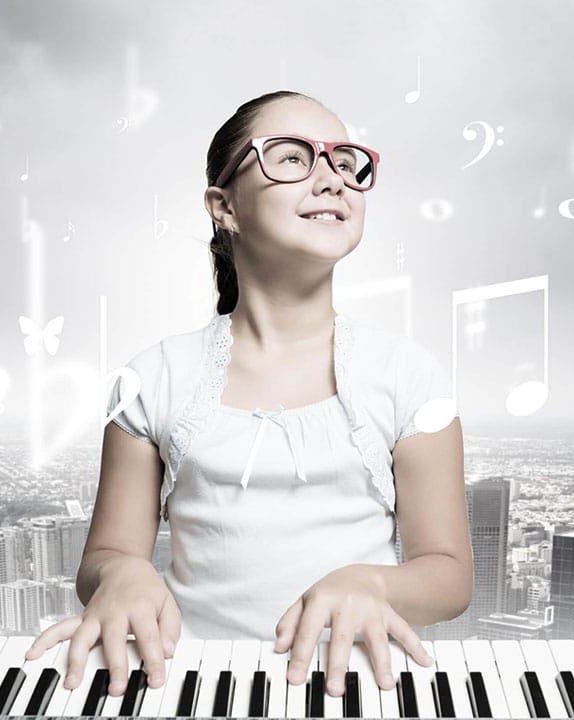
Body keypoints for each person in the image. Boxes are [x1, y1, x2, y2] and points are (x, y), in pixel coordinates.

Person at [25, 89, 473, 700]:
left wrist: (373, 584)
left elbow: (448, 575)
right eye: (291, 158)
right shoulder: (154, 377)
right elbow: (104, 554)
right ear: (224, 207)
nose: (331, 178)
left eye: (346, 162)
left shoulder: (407, 373)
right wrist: (124, 572)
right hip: (193, 689)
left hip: (359, 689)